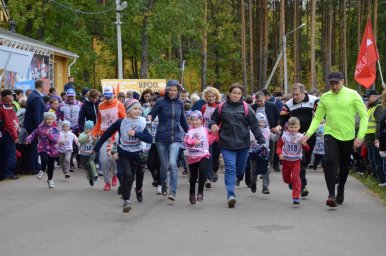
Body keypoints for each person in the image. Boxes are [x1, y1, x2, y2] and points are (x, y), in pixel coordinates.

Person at [303, 71, 368, 207]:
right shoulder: (325, 98)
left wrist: (360, 136)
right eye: (331, 83)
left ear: (342, 81)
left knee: (344, 166)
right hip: (330, 134)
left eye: (336, 83)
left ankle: (341, 188)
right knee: (330, 161)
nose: (334, 86)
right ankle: (331, 195)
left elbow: (364, 116)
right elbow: (317, 118)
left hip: (348, 136)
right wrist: (308, 134)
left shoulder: (353, 95)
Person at [209, 83, 265, 208]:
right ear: (229, 93)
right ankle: (230, 195)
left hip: (243, 144)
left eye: (238, 93)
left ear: (241, 95)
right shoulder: (222, 107)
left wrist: (261, 140)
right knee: (230, 167)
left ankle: (237, 179)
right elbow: (213, 120)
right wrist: (212, 125)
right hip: (226, 143)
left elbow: (254, 125)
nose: (236, 95)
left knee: (239, 170)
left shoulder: (246, 108)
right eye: (234, 92)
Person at [94, 99, 152, 213]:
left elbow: (149, 139)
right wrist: (96, 148)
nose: (138, 111)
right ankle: (126, 200)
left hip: (138, 153)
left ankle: (138, 190)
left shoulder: (142, 122)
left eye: (140, 109)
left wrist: (136, 133)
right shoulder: (121, 122)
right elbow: (107, 133)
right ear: (128, 110)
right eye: (135, 108)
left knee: (136, 176)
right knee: (128, 174)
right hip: (124, 152)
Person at [148, 80, 189, 201]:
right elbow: (152, 114)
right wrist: (149, 117)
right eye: (170, 90)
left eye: (175, 90)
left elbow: (182, 120)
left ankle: (173, 192)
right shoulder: (160, 102)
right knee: (164, 165)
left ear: (178, 91)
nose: (172, 92)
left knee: (172, 164)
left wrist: (190, 132)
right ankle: (164, 182)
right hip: (161, 138)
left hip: (175, 138)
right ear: (167, 90)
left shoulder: (180, 103)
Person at [275, 83, 319, 197]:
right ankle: (301, 185)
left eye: (297, 95)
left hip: (309, 135)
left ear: (304, 92)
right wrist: (279, 126)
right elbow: (283, 117)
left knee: (306, 160)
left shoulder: (314, 100)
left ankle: (296, 181)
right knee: (301, 160)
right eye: (293, 95)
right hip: (295, 136)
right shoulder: (289, 104)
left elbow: (321, 113)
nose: (294, 97)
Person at [92, 85, 126, 191]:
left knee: (112, 158)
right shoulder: (100, 105)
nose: (107, 98)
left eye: (109, 96)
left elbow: (124, 121)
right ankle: (107, 182)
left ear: (114, 94)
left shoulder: (119, 104)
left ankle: (114, 174)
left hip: (115, 136)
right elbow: (99, 121)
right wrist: (94, 131)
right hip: (103, 135)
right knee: (103, 160)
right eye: (106, 96)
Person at [184, 111, 216, 204]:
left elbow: (208, 141)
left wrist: (214, 134)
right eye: (192, 120)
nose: (194, 122)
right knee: (193, 176)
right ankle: (192, 193)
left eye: (197, 120)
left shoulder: (205, 130)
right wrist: (194, 142)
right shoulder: (190, 131)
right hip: (193, 156)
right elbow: (186, 141)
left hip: (203, 154)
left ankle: (200, 192)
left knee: (203, 171)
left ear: (201, 120)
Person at [277, 117, 310, 204]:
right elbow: (279, 146)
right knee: (286, 179)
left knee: (296, 177)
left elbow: (307, 149)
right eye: (291, 127)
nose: (293, 129)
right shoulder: (284, 135)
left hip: (296, 161)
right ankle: (291, 182)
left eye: (295, 127)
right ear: (288, 127)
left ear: (299, 127)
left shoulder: (301, 136)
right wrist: (280, 154)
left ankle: (296, 197)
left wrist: (304, 144)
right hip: (286, 160)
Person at [26, 112, 60, 188]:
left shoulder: (56, 128)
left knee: (51, 165)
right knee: (44, 159)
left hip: (53, 149)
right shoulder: (41, 127)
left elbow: (56, 140)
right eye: (47, 119)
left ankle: (50, 179)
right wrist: (29, 139)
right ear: (45, 120)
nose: (49, 121)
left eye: (51, 119)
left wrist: (49, 134)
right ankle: (42, 170)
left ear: (54, 120)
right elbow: (34, 133)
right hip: (43, 147)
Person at [250, 113, 279, 194]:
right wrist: (252, 141)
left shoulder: (267, 131)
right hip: (254, 152)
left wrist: (278, 133)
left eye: (263, 122)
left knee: (266, 170)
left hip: (265, 153)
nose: (262, 123)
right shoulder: (252, 130)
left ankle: (265, 187)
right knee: (254, 170)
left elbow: (274, 139)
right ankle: (253, 183)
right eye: (260, 122)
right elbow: (248, 140)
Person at [201, 86, 222, 187]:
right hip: (207, 134)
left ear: (216, 96)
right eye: (209, 96)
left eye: (213, 96)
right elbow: (202, 120)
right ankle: (207, 178)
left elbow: (222, 120)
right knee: (208, 155)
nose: (211, 98)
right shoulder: (204, 107)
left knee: (216, 157)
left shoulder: (220, 106)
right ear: (206, 97)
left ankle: (214, 170)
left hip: (218, 135)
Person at [24, 79, 46, 175]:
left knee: (33, 147)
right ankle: (32, 168)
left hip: (31, 125)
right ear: (41, 86)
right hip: (34, 126)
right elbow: (36, 114)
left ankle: (35, 165)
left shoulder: (32, 94)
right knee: (34, 147)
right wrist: (39, 129)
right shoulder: (36, 97)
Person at [58, 89, 82, 171]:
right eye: (69, 96)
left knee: (78, 145)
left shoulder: (80, 104)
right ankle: (70, 164)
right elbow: (58, 116)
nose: (70, 98)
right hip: (66, 128)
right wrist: (60, 127)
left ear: (74, 95)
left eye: (72, 96)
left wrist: (82, 126)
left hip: (77, 127)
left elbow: (83, 116)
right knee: (69, 146)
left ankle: (79, 161)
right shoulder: (62, 105)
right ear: (66, 96)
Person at [363, 89, 384, 184]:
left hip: (374, 138)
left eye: (369, 97)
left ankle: (380, 181)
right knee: (371, 159)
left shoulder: (378, 107)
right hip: (368, 138)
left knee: (377, 160)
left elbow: (379, 124)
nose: (367, 99)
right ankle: (376, 178)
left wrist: (377, 138)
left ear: (375, 97)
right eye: (366, 97)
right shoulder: (370, 108)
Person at [0, 89, 19, 180]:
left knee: (5, 153)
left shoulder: (6, 106)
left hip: (4, 133)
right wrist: (15, 136)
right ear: (6, 96)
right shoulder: (5, 107)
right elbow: (9, 123)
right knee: (10, 154)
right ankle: (8, 173)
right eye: (11, 95)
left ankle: (4, 173)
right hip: (7, 133)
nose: (13, 97)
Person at [78, 120, 98, 186]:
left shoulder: (93, 134)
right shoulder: (82, 134)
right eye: (87, 129)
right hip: (83, 153)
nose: (89, 130)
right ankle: (90, 178)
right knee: (86, 167)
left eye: (90, 129)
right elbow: (80, 141)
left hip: (91, 152)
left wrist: (95, 140)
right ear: (84, 128)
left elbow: (95, 144)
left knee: (91, 161)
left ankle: (95, 175)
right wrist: (87, 136)